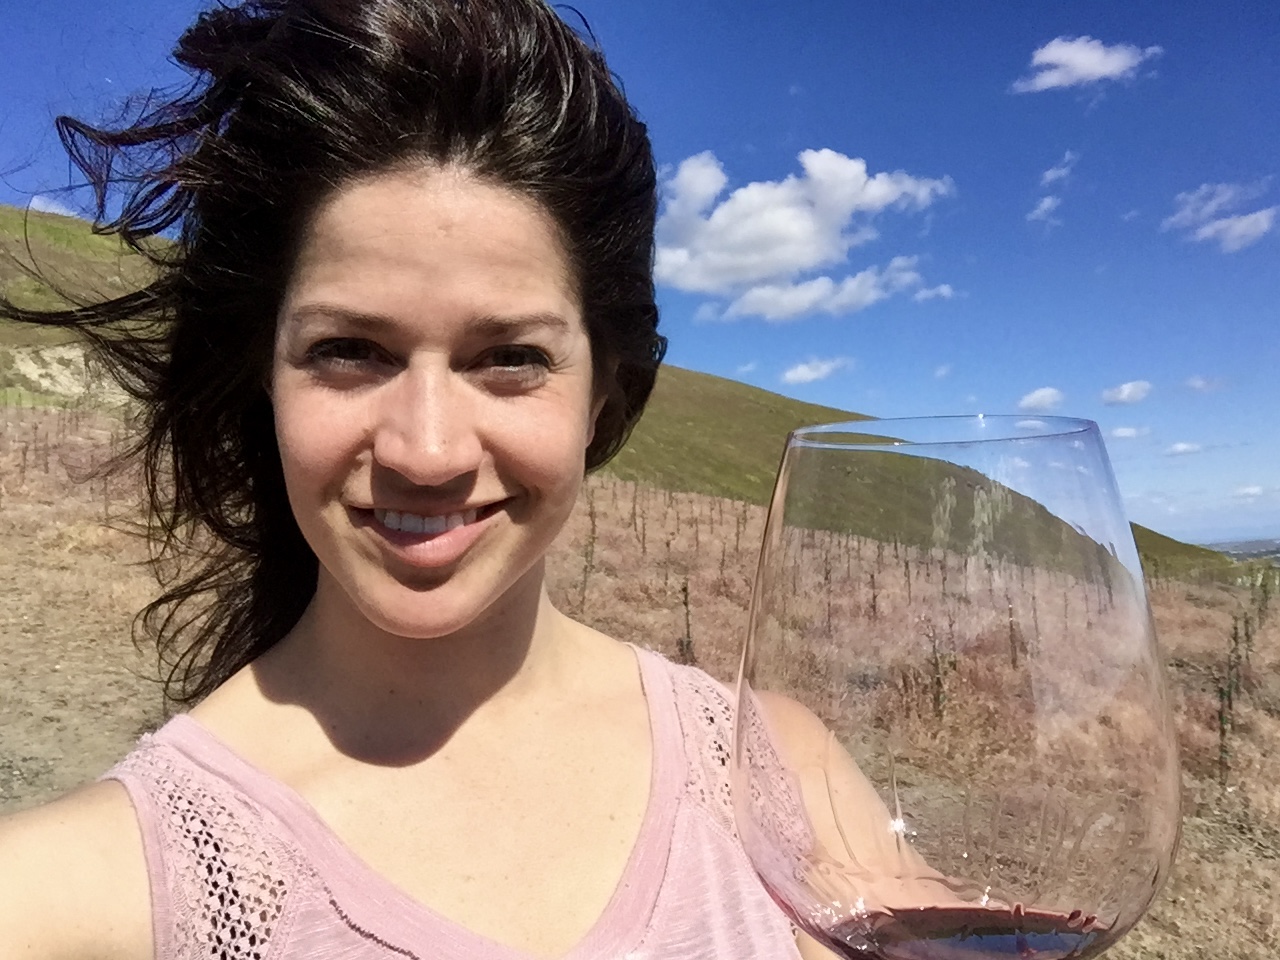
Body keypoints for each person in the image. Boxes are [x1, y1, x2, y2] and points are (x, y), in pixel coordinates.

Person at [0, 1, 849, 957]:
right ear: (263, 381)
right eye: (351, 349)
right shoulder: (91, 889)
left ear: (605, 397)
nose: (428, 450)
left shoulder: (780, 778)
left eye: (511, 357)